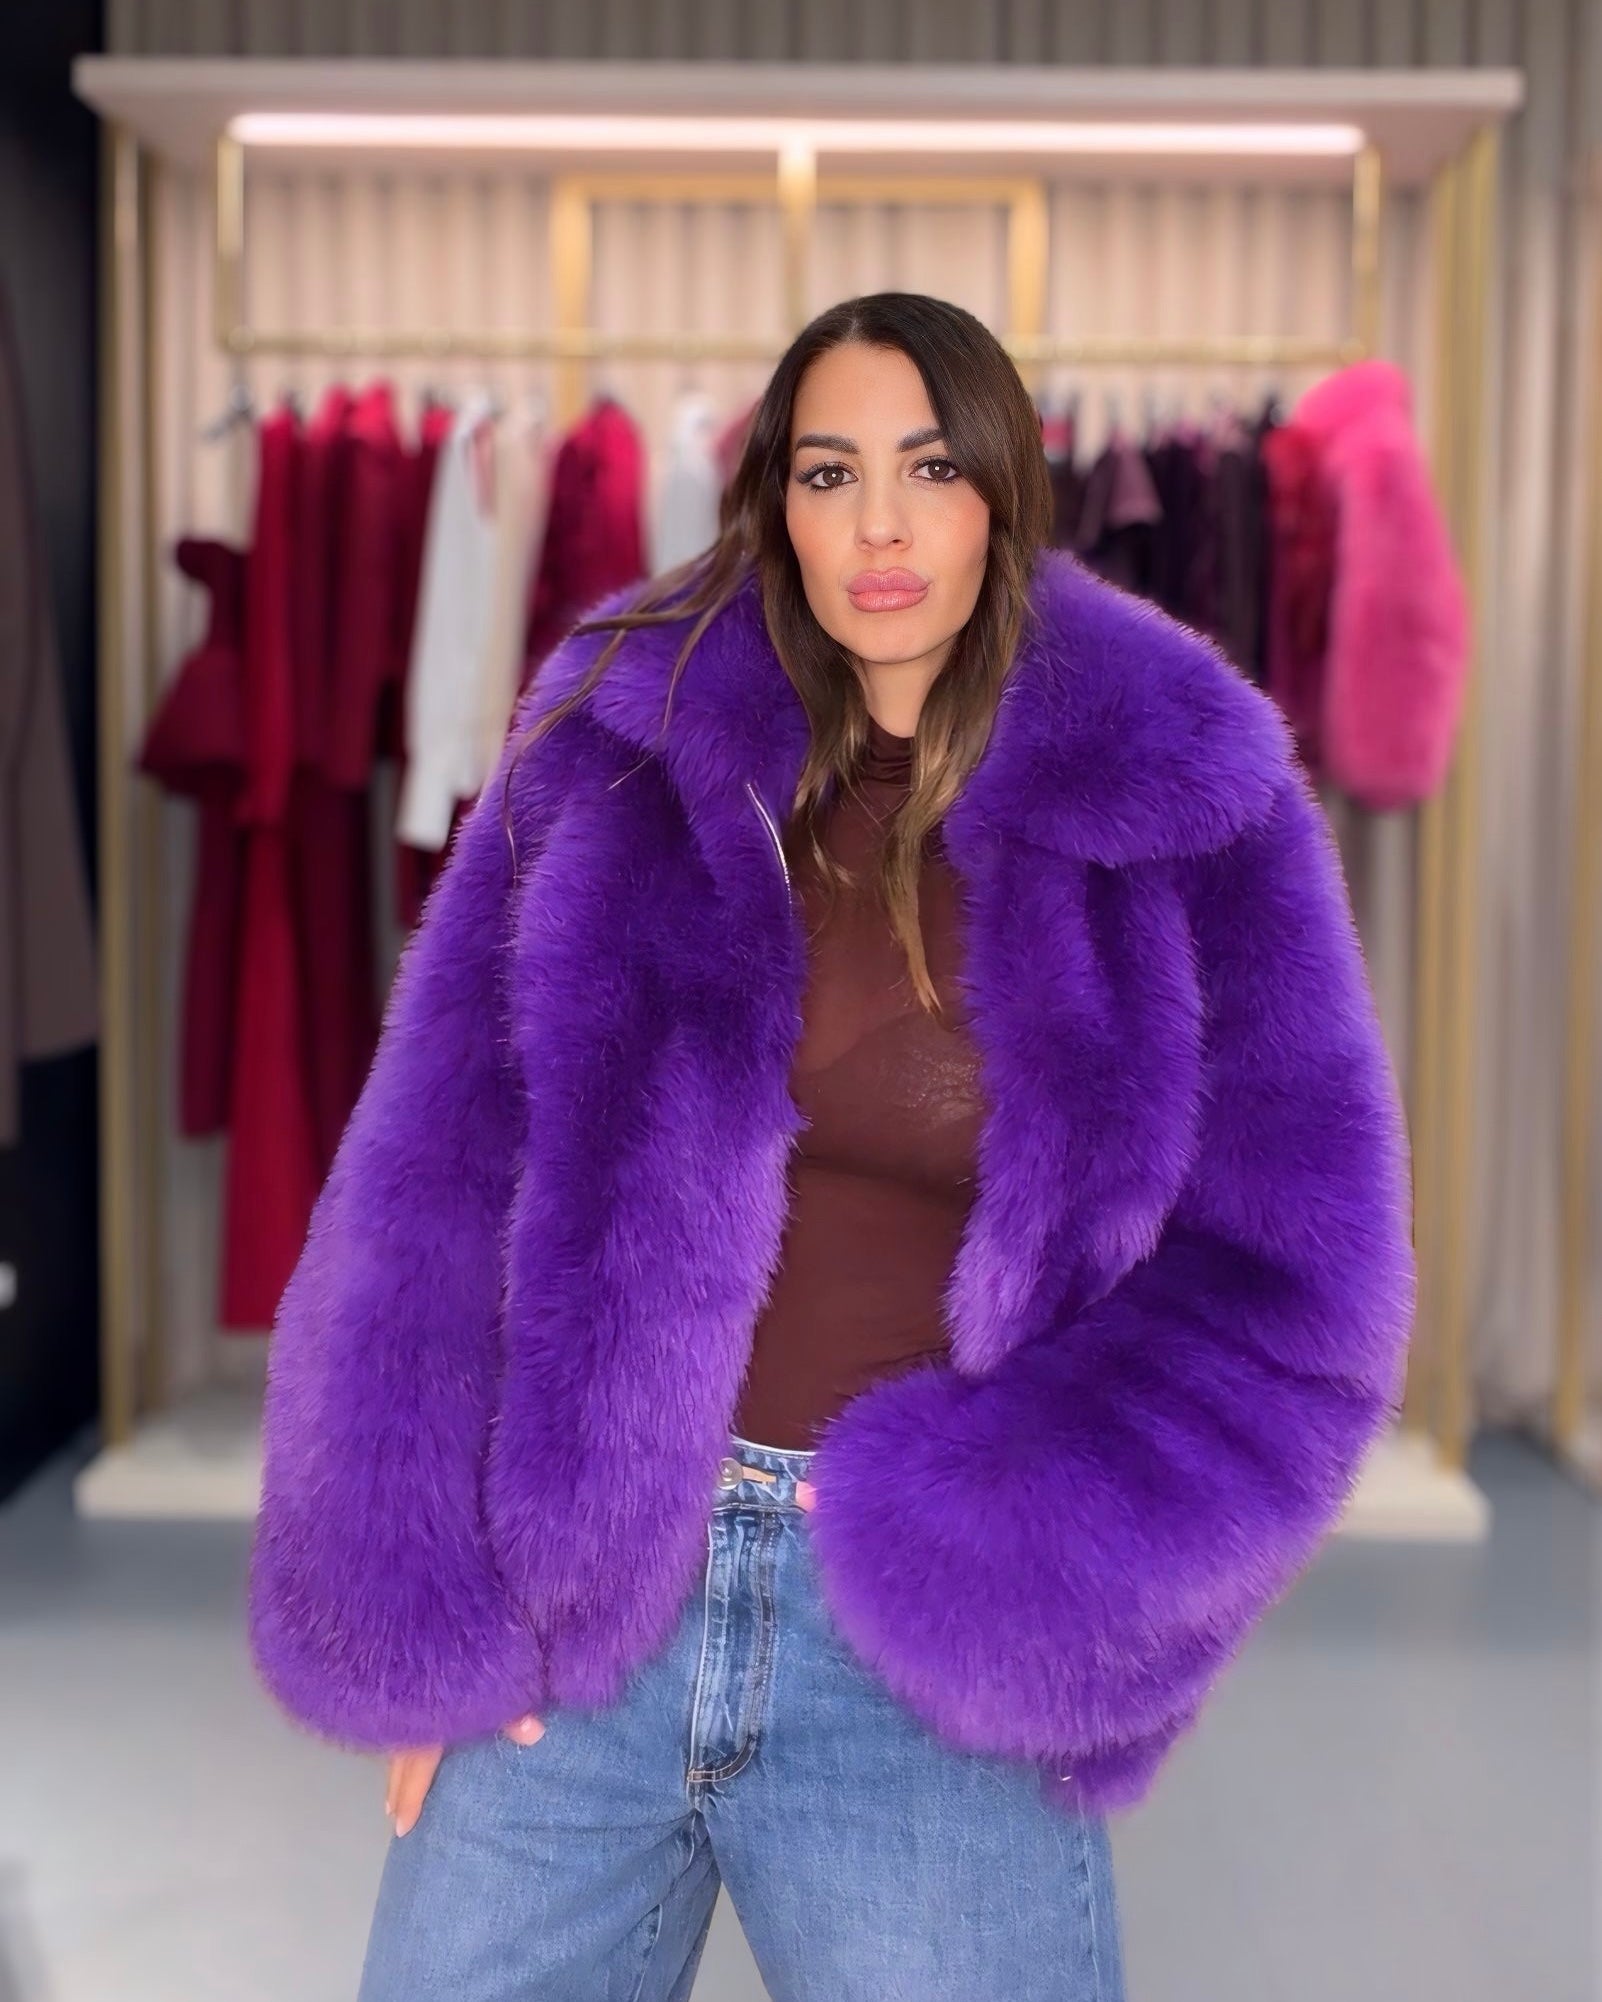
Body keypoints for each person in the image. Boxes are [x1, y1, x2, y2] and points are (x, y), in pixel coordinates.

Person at [246, 294, 1417, 2001]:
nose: (877, 524)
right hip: (583, 1601)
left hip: (919, 1645)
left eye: (929, 468)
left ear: (1004, 490)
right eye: (827, 471)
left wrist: (1039, 1574)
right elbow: (431, 1173)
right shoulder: (621, 740)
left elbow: (1298, 1280)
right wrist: (411, 1607)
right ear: (772, 501)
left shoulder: (1182, 797)